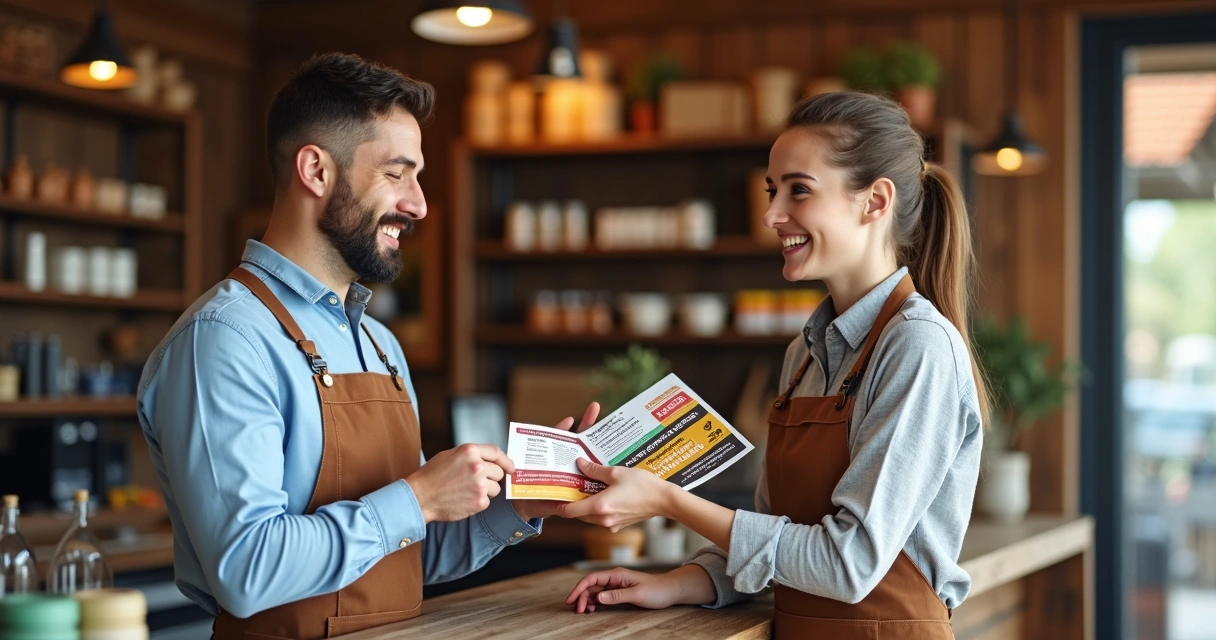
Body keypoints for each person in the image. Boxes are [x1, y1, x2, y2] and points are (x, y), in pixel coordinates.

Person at [137, 52, 597, 640]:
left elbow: (400, 557)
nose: (419, 204)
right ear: (316, 170)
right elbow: (245, 569)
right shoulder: (226, 340)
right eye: (395, 173)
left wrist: (520, 506)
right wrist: (418, 496)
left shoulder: (378, 343)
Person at [561, 91, 987, 639]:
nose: (770, 214)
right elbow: (776, 540)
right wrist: (679, 582)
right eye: (772, 190)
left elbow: (846, 563)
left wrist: (668, 500)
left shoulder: (919, 348)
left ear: (875, 202)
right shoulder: (803, 354)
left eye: (799, 191)